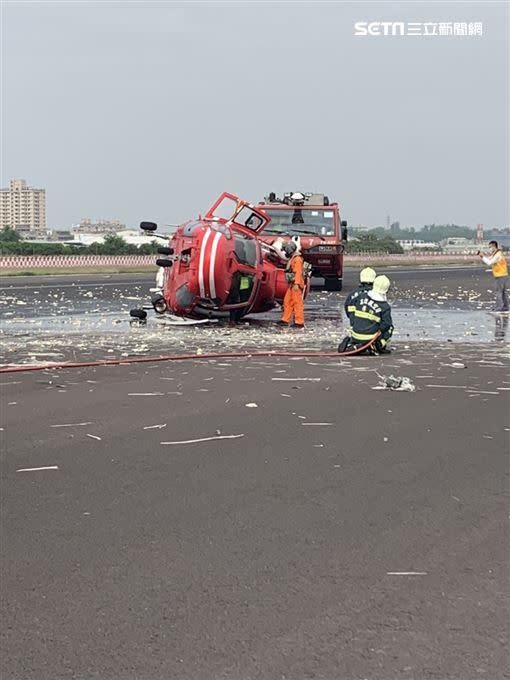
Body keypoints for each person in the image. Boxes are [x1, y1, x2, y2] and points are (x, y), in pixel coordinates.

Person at [338, 274, 394, 354]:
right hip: (370, 339)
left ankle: (352, 342)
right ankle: (378, 345)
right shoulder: (384, 306)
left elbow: (350, 308)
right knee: (390, 328)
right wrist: (379, 331)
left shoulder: (361, 296)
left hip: (355, 334)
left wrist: (354, 322)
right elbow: (387, 324)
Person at [279, 240, 305, 328]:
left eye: (285, 250)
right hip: (292, 284)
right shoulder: (293, 258)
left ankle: (299, 322)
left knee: (297, 303)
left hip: (296, 284)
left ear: (289, 250)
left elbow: (298, 272)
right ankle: (285, 320)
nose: (285, 252)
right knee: (287, 302)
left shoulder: (297, 259)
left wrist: (296, 284)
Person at [477, 240, 508, 312]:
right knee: (503, 292)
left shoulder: (498, 255)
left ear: (494, 246)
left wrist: (482, 257)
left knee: (499, 292)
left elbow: (489, 262)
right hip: (503, 274)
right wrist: (483, 256)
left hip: (500, 275)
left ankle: (500, 307)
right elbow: (489, 259)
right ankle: (505, 306)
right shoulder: (497, 253)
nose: (490, 248)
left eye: (490, 247)